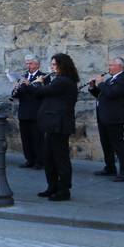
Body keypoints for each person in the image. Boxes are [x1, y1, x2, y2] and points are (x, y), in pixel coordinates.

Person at [26, 53, 79, 201]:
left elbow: (41, 92)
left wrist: (34, 83)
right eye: (52, 65)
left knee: (60, 158)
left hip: (59, 124)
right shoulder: (60, 80)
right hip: (53, 124)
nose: (52, 68)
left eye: (54, 65)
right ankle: (52, 186)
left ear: (63, 66)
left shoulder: (63, 81)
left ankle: (64, 190)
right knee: (49, 157)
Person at [89, 57, 124, 182]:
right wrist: (93, 87)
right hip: (104, 117)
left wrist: (101, 83)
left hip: (114, 118)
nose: (109, 68)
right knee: (106, 144)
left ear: (120, 66)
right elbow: (102, 95)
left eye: (111, 65)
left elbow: (112, 94)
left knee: (118, 145)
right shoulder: (111, 80)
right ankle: (110, 167)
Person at [12, 54, 50, 169]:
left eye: (31, 63)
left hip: (36, 111)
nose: (28, 65)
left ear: (37, 64)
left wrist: (28, 85)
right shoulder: (23, 76)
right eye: (27, 63)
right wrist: (15, 88)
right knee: (26, 138)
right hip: (24, 111)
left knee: (37, 138)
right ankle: (29, 159)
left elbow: (41, 92)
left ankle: (40, 161)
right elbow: (17, 95)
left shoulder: (44, 76)